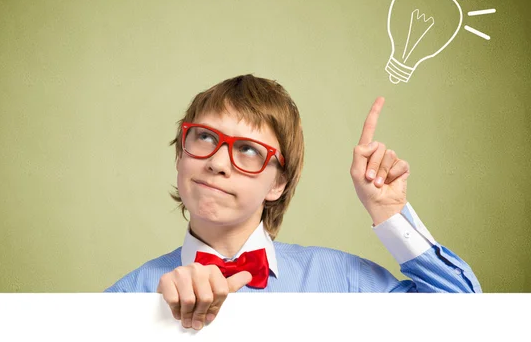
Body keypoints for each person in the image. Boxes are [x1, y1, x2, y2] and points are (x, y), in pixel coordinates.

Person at [105, 74, 481, 330]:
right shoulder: (131, 292)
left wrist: (389, 214)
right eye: (203, 137)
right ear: (180, 155)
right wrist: (148, 320)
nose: (217, 163)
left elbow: (473, 324)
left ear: (278, 183)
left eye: (248, 149)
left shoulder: (346, 283)